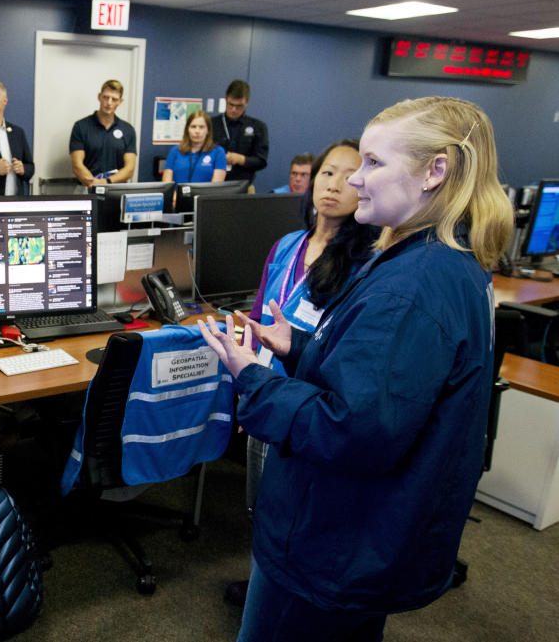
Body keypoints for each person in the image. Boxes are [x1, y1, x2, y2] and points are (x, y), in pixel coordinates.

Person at [199, 96, 513, 641]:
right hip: (366, 538)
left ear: (435, 170)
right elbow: (382, 384)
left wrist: (254, 376)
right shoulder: (437, 263)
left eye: (373, 163)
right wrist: (296, 347)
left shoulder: (411, 286)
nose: (356, 182)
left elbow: (350, 428)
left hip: (331, 543)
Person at [224, 139, 379, 607]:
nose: (333, 185)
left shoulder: (364, 262)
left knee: (294, 504)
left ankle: (281, 593)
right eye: (327, 172)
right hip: (266, 384)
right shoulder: (288, 245)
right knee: (259, 495)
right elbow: (256, 317)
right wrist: (243, 377)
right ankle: (262, 582)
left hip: (309, 394)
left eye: (349, 176)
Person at [69, 79, 137, 187]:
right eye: (106, 97)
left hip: (115, 189)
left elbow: (129, 169)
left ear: (120, 102)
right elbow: (77, 165)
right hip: (87, 188)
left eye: (114, 99)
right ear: (99, 97)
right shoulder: (81, 126)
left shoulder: (128, 130)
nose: (109, 103)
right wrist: (93, 184)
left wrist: (105, 183)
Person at [212, 79, 268, 186]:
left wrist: (240, 159)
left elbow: (262, 161)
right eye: (230, 104)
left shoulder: (258, 127)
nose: (234, 109)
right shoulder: (211, 124)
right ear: (226, 99)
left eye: (239, 106)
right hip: (213, 185)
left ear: (247, 102)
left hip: (243, 186)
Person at [160, 110, 227, 183]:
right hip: (177, 194)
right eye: (193, 127)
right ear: (187, 129)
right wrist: (175, 194)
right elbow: (167, 184)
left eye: (201, 127)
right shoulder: (175, 151)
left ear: (208, 130)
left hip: (205, 194)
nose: (197, 131)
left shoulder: (218, 152)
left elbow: (215, 187)